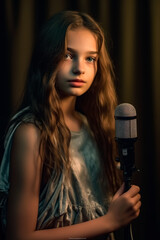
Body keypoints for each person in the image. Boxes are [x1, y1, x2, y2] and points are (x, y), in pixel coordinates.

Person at [0, 10, 141, 240]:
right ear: (48, 57)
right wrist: (110, 221)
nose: (79, 68)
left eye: (90, 58)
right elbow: (20, 235)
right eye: (68, 55)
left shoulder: (89, 125)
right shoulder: (32, 132)